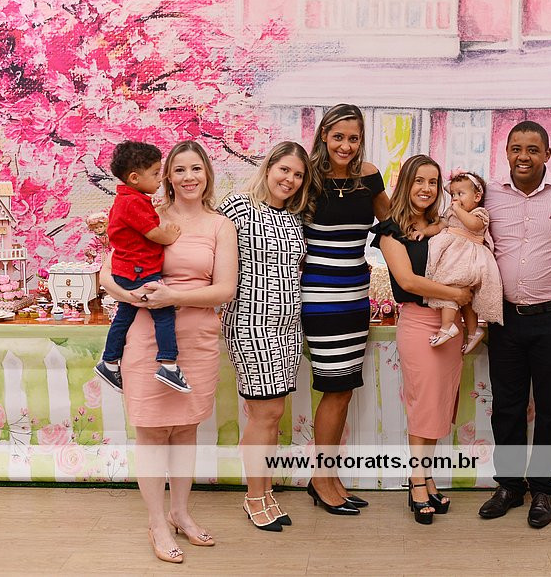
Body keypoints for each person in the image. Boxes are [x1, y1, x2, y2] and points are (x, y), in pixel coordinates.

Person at [99, 140, 238, 563]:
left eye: (196, 168)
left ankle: (181, 512)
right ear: (167, 178)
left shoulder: (220, 226)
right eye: (179, 170)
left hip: (197, 340)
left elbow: (225, 289)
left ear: (207, 174)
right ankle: (157, 522)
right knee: (153, 432)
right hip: (147, 338)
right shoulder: (147, 213)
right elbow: (107, 274)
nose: (188, 177)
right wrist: (137, 297)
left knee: (186, 430)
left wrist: (174, 296)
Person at [479, 121, 551, 528]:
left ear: (547, 155)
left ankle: (542, 488)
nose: (523, 156)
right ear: (506, 152)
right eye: (516, 148)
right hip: (505, 319)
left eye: (532, 149)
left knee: (550, 407)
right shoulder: (488, 194)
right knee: (506, 406)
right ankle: (509, 486)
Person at [372, 154, 473, 524]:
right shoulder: (391, 230)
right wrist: (456, 294)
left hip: (450, 324)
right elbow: (408, 281)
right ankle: (416, 482)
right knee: (424, 405)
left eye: (432, 182)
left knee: (440, 405)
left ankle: (427, 477)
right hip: (419, 323)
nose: (426, 189)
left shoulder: (443, 226)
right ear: (405, 184)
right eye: (419, 181)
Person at [301, 103, 389, 514]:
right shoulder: (307, 178)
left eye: (353, 138)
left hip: (356, 295)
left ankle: (329, 477)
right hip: (320, 298)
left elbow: (393, 224)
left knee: (344, 388)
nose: (346, 145)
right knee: (335, 388)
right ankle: (321, 480)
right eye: (338, 137)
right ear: (324, 136)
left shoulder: (369, 176)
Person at [219, 142, 312, 531]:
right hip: (250, 323)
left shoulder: (294, 218)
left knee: (273, 414)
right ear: (268, 167)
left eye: (298, 175)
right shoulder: (238, 207)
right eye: (284, 170)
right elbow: (209, 250)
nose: (290, 180)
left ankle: (265, 490)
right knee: (263, 413)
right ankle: (254, 496)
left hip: (288, 328)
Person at [95, 141, 189, 395]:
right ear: (135, 178)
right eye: (156, 173)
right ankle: (168, 364)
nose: (161, 179)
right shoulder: (132, 203)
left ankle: (109, 361)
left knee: (124, 315)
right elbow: (153, 233)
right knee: (164, 313)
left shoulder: (130, 200)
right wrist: (169, 235)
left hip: (129, 269)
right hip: (139, 270)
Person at [414, 169, 503, 353]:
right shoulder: (452, 212)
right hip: (455, 256)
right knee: (465, 300)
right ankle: (473, 331)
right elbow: (439, 226)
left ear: (477, 197)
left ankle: (447, 326)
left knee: (451, 287)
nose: (455, 198)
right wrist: (424, 232)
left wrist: (458, 210)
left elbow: (473, 225)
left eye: (460, 193)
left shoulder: (480, 213)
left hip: (468, 258)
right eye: (453, 194)